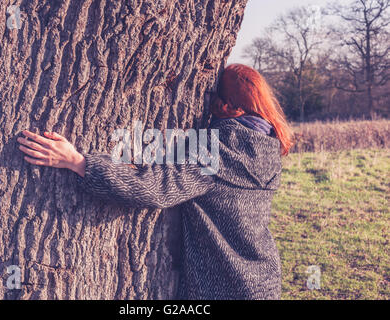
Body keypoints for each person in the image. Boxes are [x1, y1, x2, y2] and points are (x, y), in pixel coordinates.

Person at [17, 63, 294, 299]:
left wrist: (78, 162)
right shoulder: (267, 147)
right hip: (263, 281)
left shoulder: (219, 149)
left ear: (223, 105)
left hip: (227, 286)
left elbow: (154, 188)